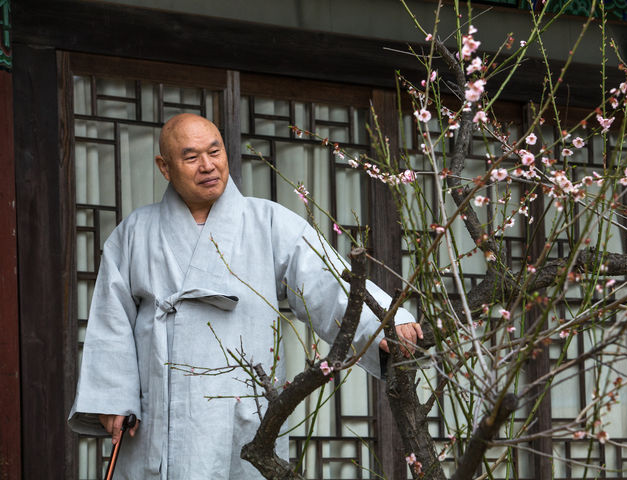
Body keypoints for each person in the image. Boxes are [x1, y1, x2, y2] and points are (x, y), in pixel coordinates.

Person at [68, 113, 422, 479]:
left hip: (240, 403)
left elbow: (326, 282)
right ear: (165, 166)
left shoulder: (267, 221)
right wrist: (112, 398)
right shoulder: (135, 232)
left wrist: (387, 325)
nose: (208, 166)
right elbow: (111, 320)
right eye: (191, 158)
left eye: (214, 152)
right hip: (161, 405)